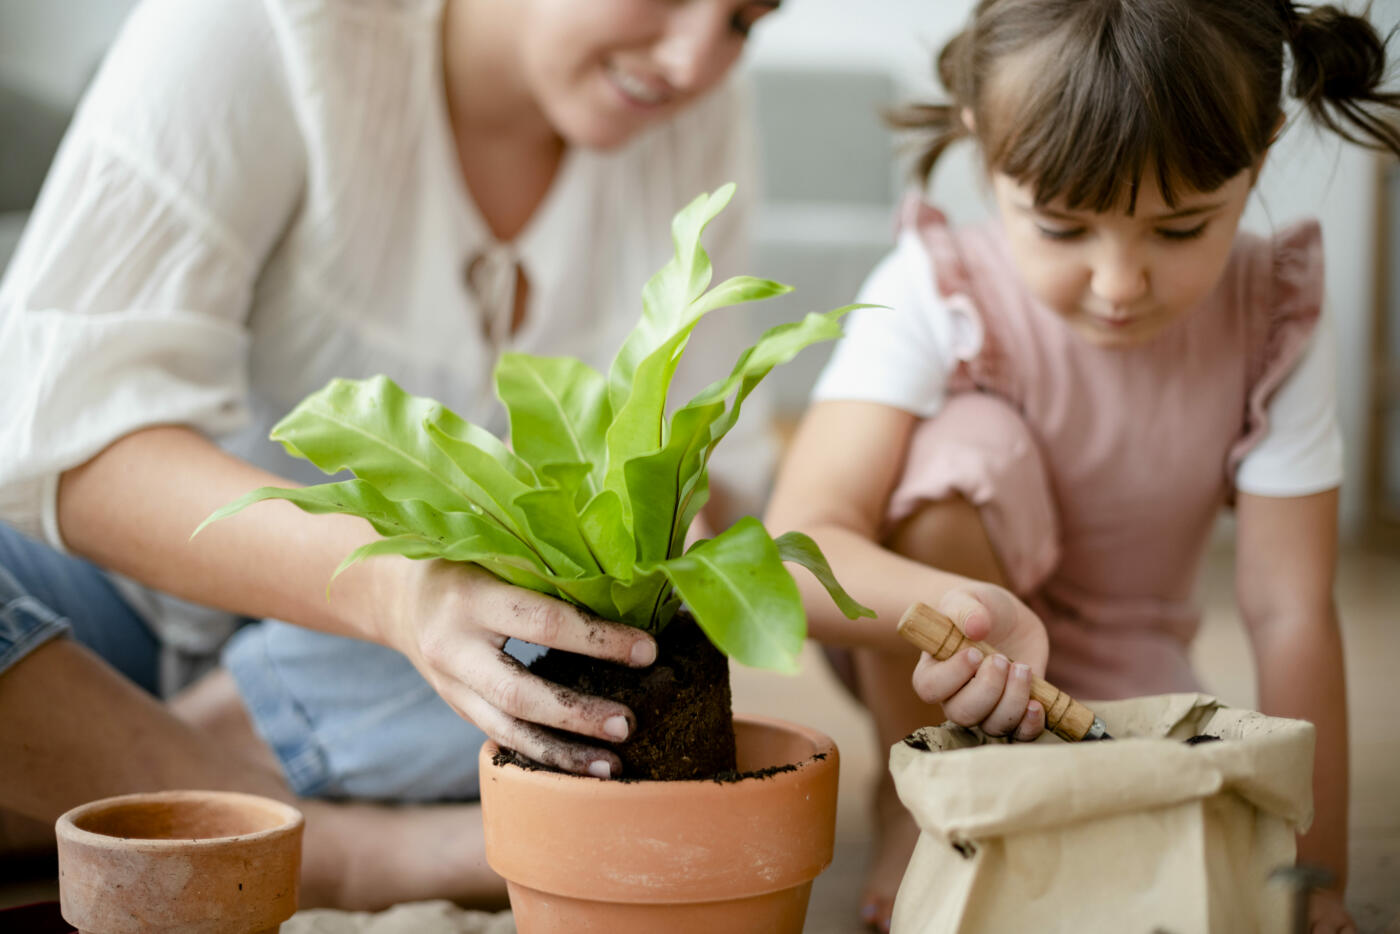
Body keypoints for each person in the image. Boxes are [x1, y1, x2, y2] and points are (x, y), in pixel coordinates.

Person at [0, 0, 784, 910]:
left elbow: (720, 490)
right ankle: (331, 850)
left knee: (632, 644)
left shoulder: (685, 111)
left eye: (744, 20)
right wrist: (398, 592)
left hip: (386, 694)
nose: (693, 59)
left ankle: (101, 772)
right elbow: (60, 437)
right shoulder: (269, 27)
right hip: (100, 614)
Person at [766, 1, 1396, 931]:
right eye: (1063, 229)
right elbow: (792, 554)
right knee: (961, 449)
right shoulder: (931, 287)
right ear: (986, 155)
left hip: (1132, 683)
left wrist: (1318, 880)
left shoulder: (1275, 311)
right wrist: (974, 618)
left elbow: (1288, 604)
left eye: (1180, 230)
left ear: (1260, 155)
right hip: (942, 668)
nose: (1118, 284)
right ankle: (923, 807)